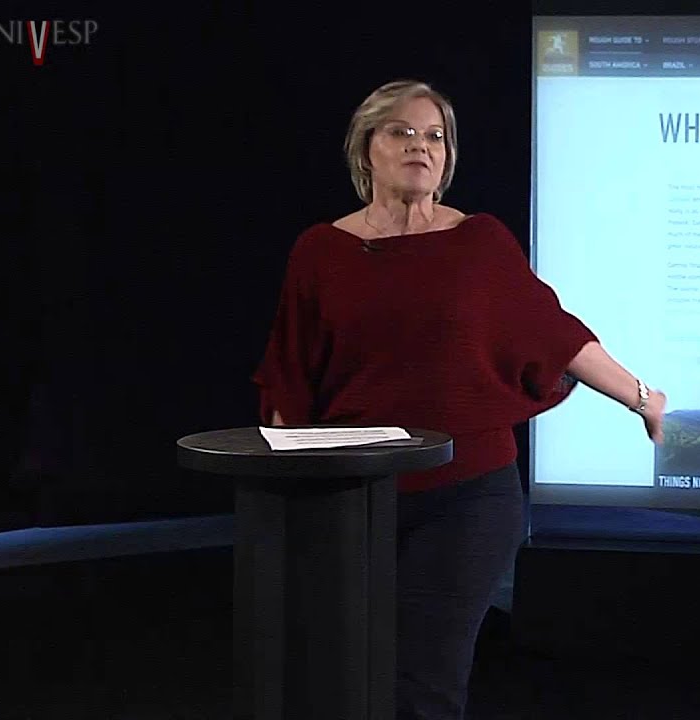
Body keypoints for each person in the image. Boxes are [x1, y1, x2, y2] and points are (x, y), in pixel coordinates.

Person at [250, 79, 667, 719]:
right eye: (401, 132)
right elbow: (290, 376)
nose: (420, 146)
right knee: (345, 676)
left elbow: (553, 335)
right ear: (366, 150)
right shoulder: (320, 251)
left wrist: (642, 398)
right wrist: (290, 500)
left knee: (422, 679)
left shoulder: (479, 242)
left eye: (435, 136)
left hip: (467, 495)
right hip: (353, 496)